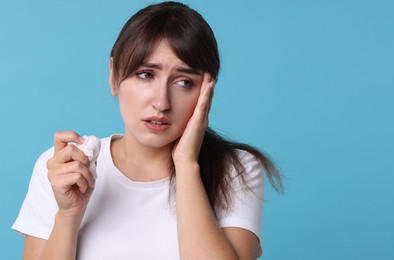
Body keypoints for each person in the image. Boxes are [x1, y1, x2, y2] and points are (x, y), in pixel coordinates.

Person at [13, 1, 282, 259]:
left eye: (184, 82)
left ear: (207, 92)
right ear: (114, 75)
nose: (161, 102)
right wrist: (68, 216)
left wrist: (186, 165)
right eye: (146, 74)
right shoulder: (65, 168)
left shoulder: (235, 170)